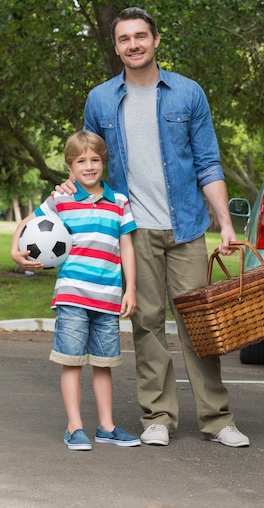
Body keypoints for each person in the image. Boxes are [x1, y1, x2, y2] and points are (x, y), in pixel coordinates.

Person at [57, 7, 249, 448]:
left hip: (186, 227)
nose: (133, 45)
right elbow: (90, 161)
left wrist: (226, 223)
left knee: (199, 324)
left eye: (141, 36)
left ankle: (218, 420)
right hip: (132, 230)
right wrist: (69, 187)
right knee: (146, 323)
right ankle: (157, 416)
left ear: (156, 40)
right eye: (124, 39)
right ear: (116, 46)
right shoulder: (101, 99)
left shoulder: (188, 93)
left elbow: (207, 163)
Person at [11, 131, 141, 450]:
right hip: (72, 295)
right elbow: (28, 223)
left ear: (103, 162)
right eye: (81, 161)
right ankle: (74, 427)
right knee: (72, 360)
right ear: (70, 166)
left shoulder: (120, 202)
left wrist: (131, 289)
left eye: (95, 159)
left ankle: (107, 427)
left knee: (103, 363)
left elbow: (126, 247)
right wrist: (16, 250)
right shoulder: (61, 200)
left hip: (108, 298)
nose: (89, 166)